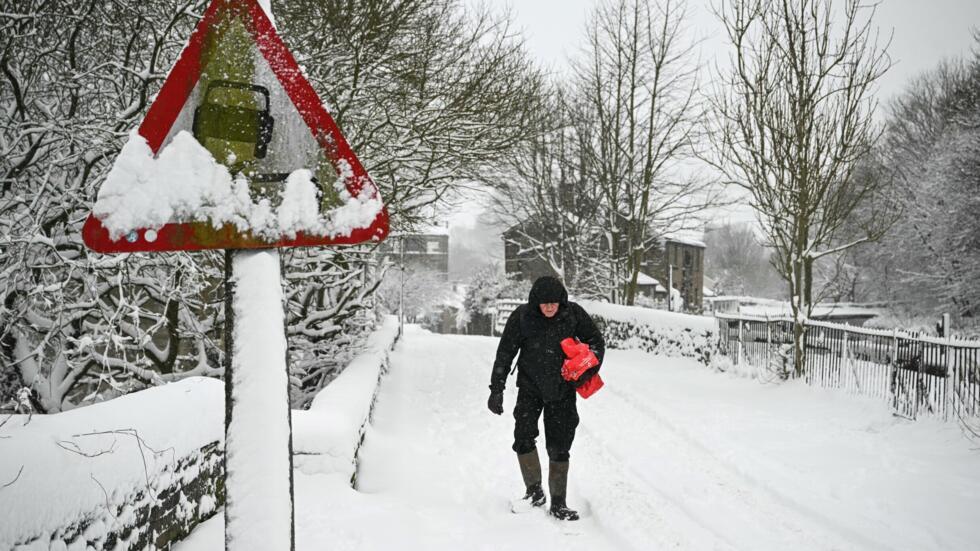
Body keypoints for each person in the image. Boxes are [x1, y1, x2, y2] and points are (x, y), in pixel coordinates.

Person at [487, 276, 604, 521]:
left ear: (561, 301)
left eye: (554, 303)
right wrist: (496, 388)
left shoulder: (573, 314)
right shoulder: (522, 317)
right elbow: (506, 351)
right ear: (535, 302)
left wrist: (587, 369)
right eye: (544, 303)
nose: (550, 307)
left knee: (559, 445)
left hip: (562, 391)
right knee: (523, 437)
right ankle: (534, 492)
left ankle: (559, 502)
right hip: (529, 388)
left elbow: (596, 342)